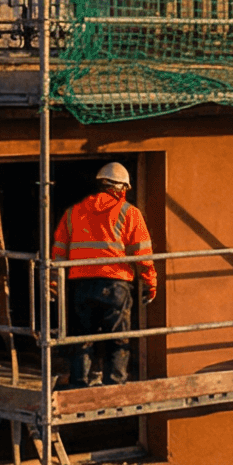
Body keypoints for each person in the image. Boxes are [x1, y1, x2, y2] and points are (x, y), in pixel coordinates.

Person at [50, 161, 158, 387]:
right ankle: (114, 384)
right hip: (115, 283)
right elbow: (143, 253)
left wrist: (53, 283)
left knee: (83, 338)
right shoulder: (130, 213)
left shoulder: (73, 212)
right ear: (122, 188)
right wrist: (150, 282)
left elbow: (58, 251)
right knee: (117, 339)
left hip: (80, 283)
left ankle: (79, 384)